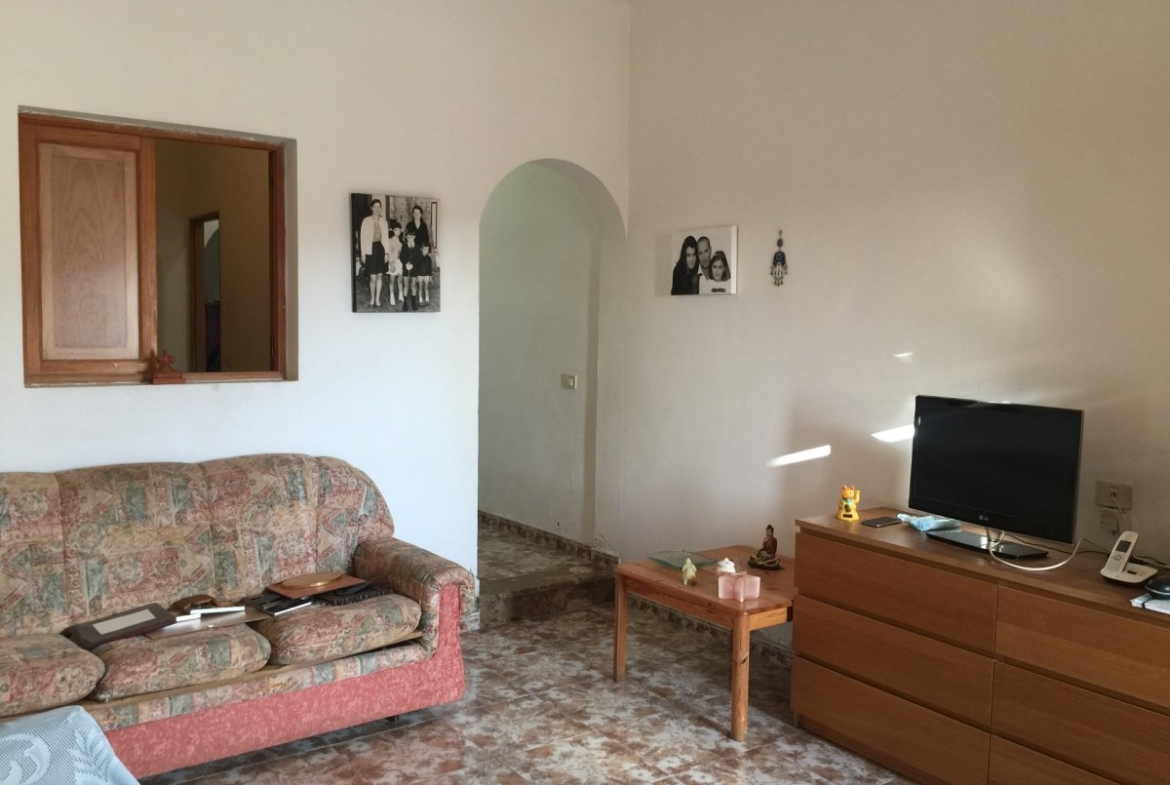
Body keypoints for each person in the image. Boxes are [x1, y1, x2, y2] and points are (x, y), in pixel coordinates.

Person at [359, 199, 391, 308]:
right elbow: (362, 238)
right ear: (371, 208)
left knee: (379, 276)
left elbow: (386, 238)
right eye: (375, 207)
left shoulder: (383, 222)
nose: (377, 209)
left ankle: (377, 299)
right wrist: (363, 254)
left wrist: (386, 253)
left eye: (379, 207)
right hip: (370, 249)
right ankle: (372, 298)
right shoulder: (366, 221)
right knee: (372, 277)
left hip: (380, 249)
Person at [400, 230, 421, 310]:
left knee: (413, 285)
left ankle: (413, 302)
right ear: (406, 237)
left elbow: (419, 258)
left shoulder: (417, 246)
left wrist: (412, 264)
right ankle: (405, 303)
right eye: (408, 237)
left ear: (414, 237)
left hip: (414, 268)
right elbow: (401, 257)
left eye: (411, 237)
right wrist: (406, 263)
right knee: (406, 285)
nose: (410, 239)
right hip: (406, 268)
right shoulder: (404, 246)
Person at [385, 219, 403, 308]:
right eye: (396, 230)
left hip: (400, 262)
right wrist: (391, 264)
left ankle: (400, 294)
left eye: (399, 230)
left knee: (400, 279)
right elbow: (389, 253)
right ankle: (392, 297)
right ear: (393, 230)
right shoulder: (390, 240)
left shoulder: (401, 241)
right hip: (392, 262)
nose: (397, 232)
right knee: (392, 280)